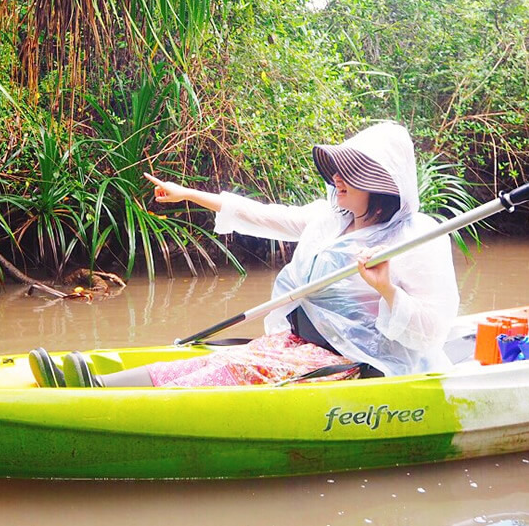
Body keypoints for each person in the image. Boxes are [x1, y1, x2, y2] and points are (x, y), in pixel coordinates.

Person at [29, 121, 460, 388]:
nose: (339, 182)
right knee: (231, 357)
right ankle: (94, 383)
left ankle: (99, 391)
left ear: (382, 185)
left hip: (364, 362)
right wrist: (188, 194)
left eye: (353, 175)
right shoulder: (331, 219)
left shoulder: (417, 239)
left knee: (238, 368)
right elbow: (263, 215)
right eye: (339, 172)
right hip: (302, 343)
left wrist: (387, 290)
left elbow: (433, 330)